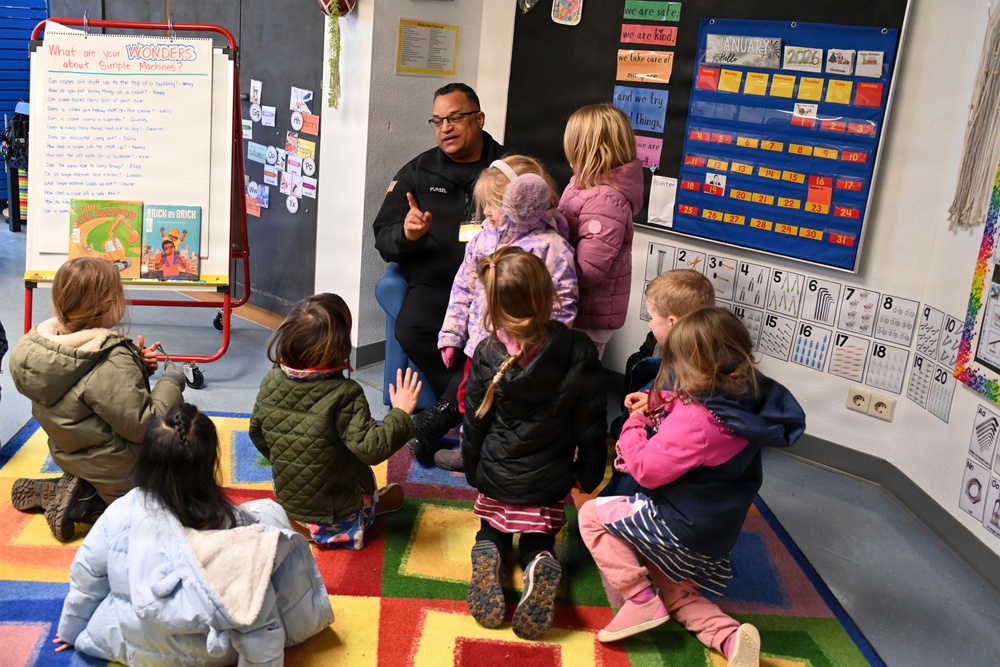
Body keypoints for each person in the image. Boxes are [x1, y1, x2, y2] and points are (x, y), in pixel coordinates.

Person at [578, 307, 806, 665]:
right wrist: (658, 403)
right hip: (713, 534)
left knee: (592, 516)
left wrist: (634, 425)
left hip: (678, 523)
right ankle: (730, 638)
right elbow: (692, 405)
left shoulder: (698, 423)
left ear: (692, 367)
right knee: (679, 594)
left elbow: (646, 469)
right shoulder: (743, 399)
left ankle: (639, 600)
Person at [54, 403, 334, 664]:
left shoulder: (122, 510)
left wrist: (71, 629)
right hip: (208, 653)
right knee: (269, 516)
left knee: (109, 608)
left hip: (134, 640)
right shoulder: (234, 531)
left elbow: (86, 575)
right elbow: (261, 628)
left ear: (146, 460)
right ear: (211, 462)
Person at [462, 247, 607, 640]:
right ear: (548, 297)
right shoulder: (578, 350)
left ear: (492, 306)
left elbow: (474, 421)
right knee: (539, 536)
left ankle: (489, 553)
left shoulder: (488, 353)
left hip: (495, 472)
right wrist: (588, 473)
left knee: (490, 529)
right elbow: (592, 423)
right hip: (548, 480)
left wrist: (473, 467)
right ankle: (539, 558)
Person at [372, 82, 506, 461]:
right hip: (437, 279)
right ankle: (475, 405)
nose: (445, 127)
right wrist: (408, 234)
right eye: (438, 120)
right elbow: (382, 236)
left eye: (455, 118)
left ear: (479, 119)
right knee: (410, 326)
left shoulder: (507, 169)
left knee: (500, 340)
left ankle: (449, 411)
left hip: (496, 284)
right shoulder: (418, 171)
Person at [9, 257, 186, 542]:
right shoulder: (108, 359)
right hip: (120, 468)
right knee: (174, 499)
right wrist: (171, 383)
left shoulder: (43, 348)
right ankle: (89, 504)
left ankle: (80, 486)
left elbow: (86, 394)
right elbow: (145, 425)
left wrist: (137, 365)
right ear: (107, 305)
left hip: (71, 454)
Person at [431, 155, 578, 470]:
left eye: (494, 204)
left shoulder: (552, 248)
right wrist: (452, 333)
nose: (487, 212)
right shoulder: (482, 239)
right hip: (479, 347)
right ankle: (468, 450)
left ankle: (504, 459)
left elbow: (564, 305)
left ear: (524, 203)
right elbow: (463, 288)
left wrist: (545, 348)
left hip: (523, 353)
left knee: (512, 407)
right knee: (470, 398)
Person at [249, 293, 421, 548]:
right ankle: (354, 521)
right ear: (340, 349)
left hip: (289, 499)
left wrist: (293, 457)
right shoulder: (345, 393)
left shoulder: (271, 380)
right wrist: (401, 412)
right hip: (336, 512)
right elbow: (371, 449)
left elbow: (257, 433)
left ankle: (302, 523)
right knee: (363, 484)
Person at [603, 269, 717, 496]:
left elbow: (650, 460)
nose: (649, 325)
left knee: (596, 517)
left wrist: (637, 420)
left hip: (647, 480)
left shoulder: (685, 373)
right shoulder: (700, 359)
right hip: (663, 472)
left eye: (652, 317)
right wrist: (654, 398)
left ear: (673, 322)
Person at [559, 103, 645, 359]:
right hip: (576, 308)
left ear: (587, 150)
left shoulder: (607, 200)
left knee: (574, 383)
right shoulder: (582, 185)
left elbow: (588, 270)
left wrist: (543, 263)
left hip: (586, 317)